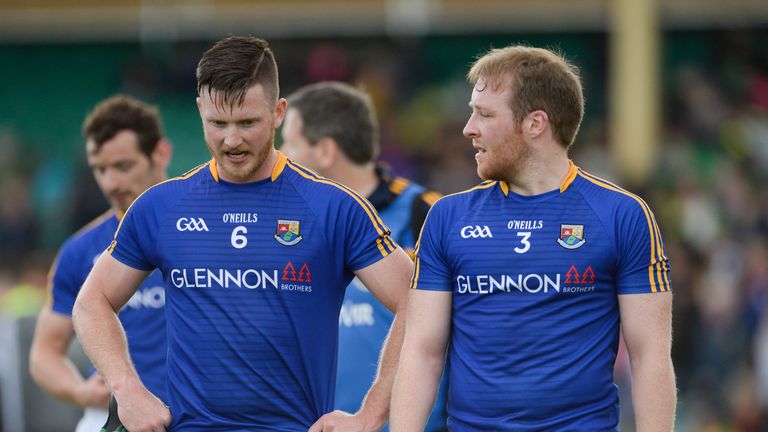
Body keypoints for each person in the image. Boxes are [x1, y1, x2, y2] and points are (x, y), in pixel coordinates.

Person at [72, 36, 413, 432]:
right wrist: (127, 388)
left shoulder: (335, 208)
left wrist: (371, 414)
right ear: (200, 110)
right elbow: (91, 302)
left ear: (278, 112)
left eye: (247, 123)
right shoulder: (160, 206)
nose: (231, 140)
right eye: (218, 123)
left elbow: (414, 301)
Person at [391, 45, 676, 431]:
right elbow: (422, 352)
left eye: (485, 114)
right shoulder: (448, 217)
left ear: (535, 124)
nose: (468, 128)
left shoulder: (622, 215)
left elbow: (649, 357)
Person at [280, 81, 446, 431]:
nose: (279, 156)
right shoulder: (287, 225)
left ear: (324, 151)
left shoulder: (430, 215)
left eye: (289, 143)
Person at [29, 95, 171, 432]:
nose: (110, 183)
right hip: (111, 417)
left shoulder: (205, 231)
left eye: (123, 166)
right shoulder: (79, 250)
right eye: (99, 169)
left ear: (161, 153)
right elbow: (44, 354)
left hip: (198, 415)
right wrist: (80, 391)